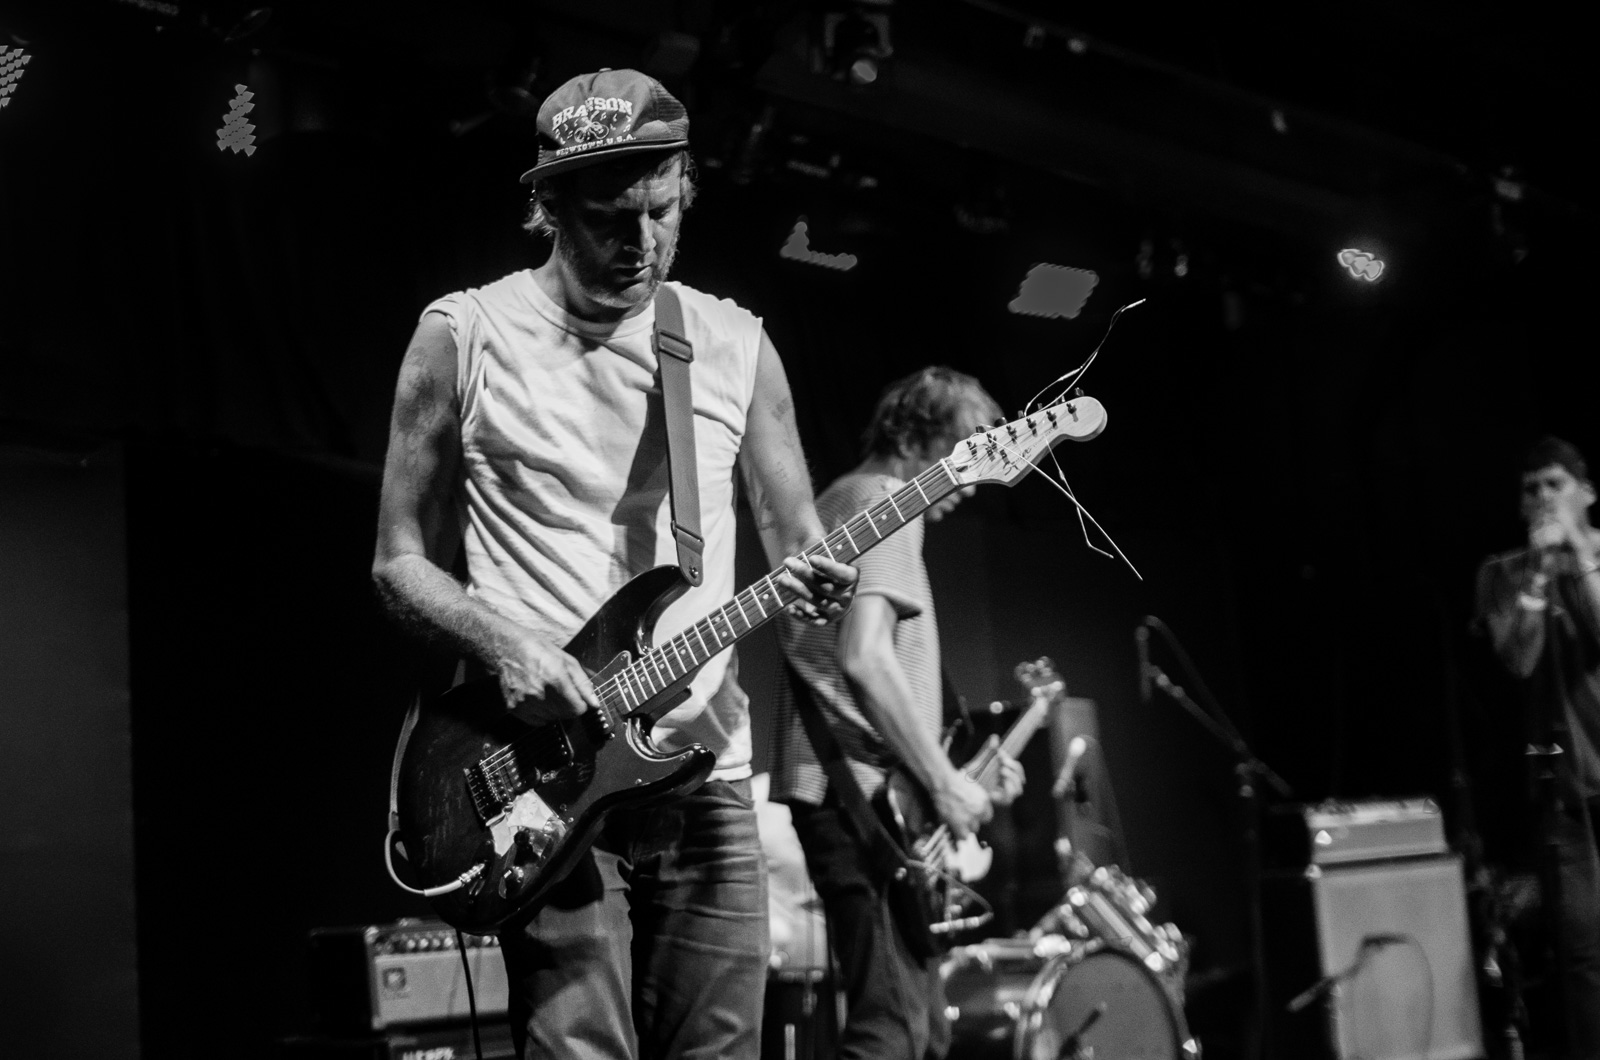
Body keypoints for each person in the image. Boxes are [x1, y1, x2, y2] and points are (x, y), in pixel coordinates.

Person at [371, 68, 858, 1060]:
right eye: (609, 218)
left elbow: (799, 535)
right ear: (545, 205)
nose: (641, 245)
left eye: (664, 213)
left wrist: (820, 577)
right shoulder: (463, 336)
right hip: (541, 780)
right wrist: (503, 645)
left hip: (706, 774)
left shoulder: (732, 345)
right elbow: (396, 562)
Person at [770, 367, 1026, 1059]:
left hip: (863, 795)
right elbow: (865, 658)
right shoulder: (884, 500)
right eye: (969, 445)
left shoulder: (842, 500)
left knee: (921, 1027)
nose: (973, 479)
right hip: (860, 803)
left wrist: (945, 776)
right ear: (915, 436)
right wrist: (943, 782)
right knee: (893, 1031)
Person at [1475, 435, 1600, 1058]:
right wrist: (1539, 575)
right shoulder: (1500, 575)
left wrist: (1577, 553)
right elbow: (1519, 658)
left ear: (1588, 494)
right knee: (1584, 959)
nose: (1543, 498)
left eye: (1555, 484)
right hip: (1567, 797)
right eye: (1531, 489)